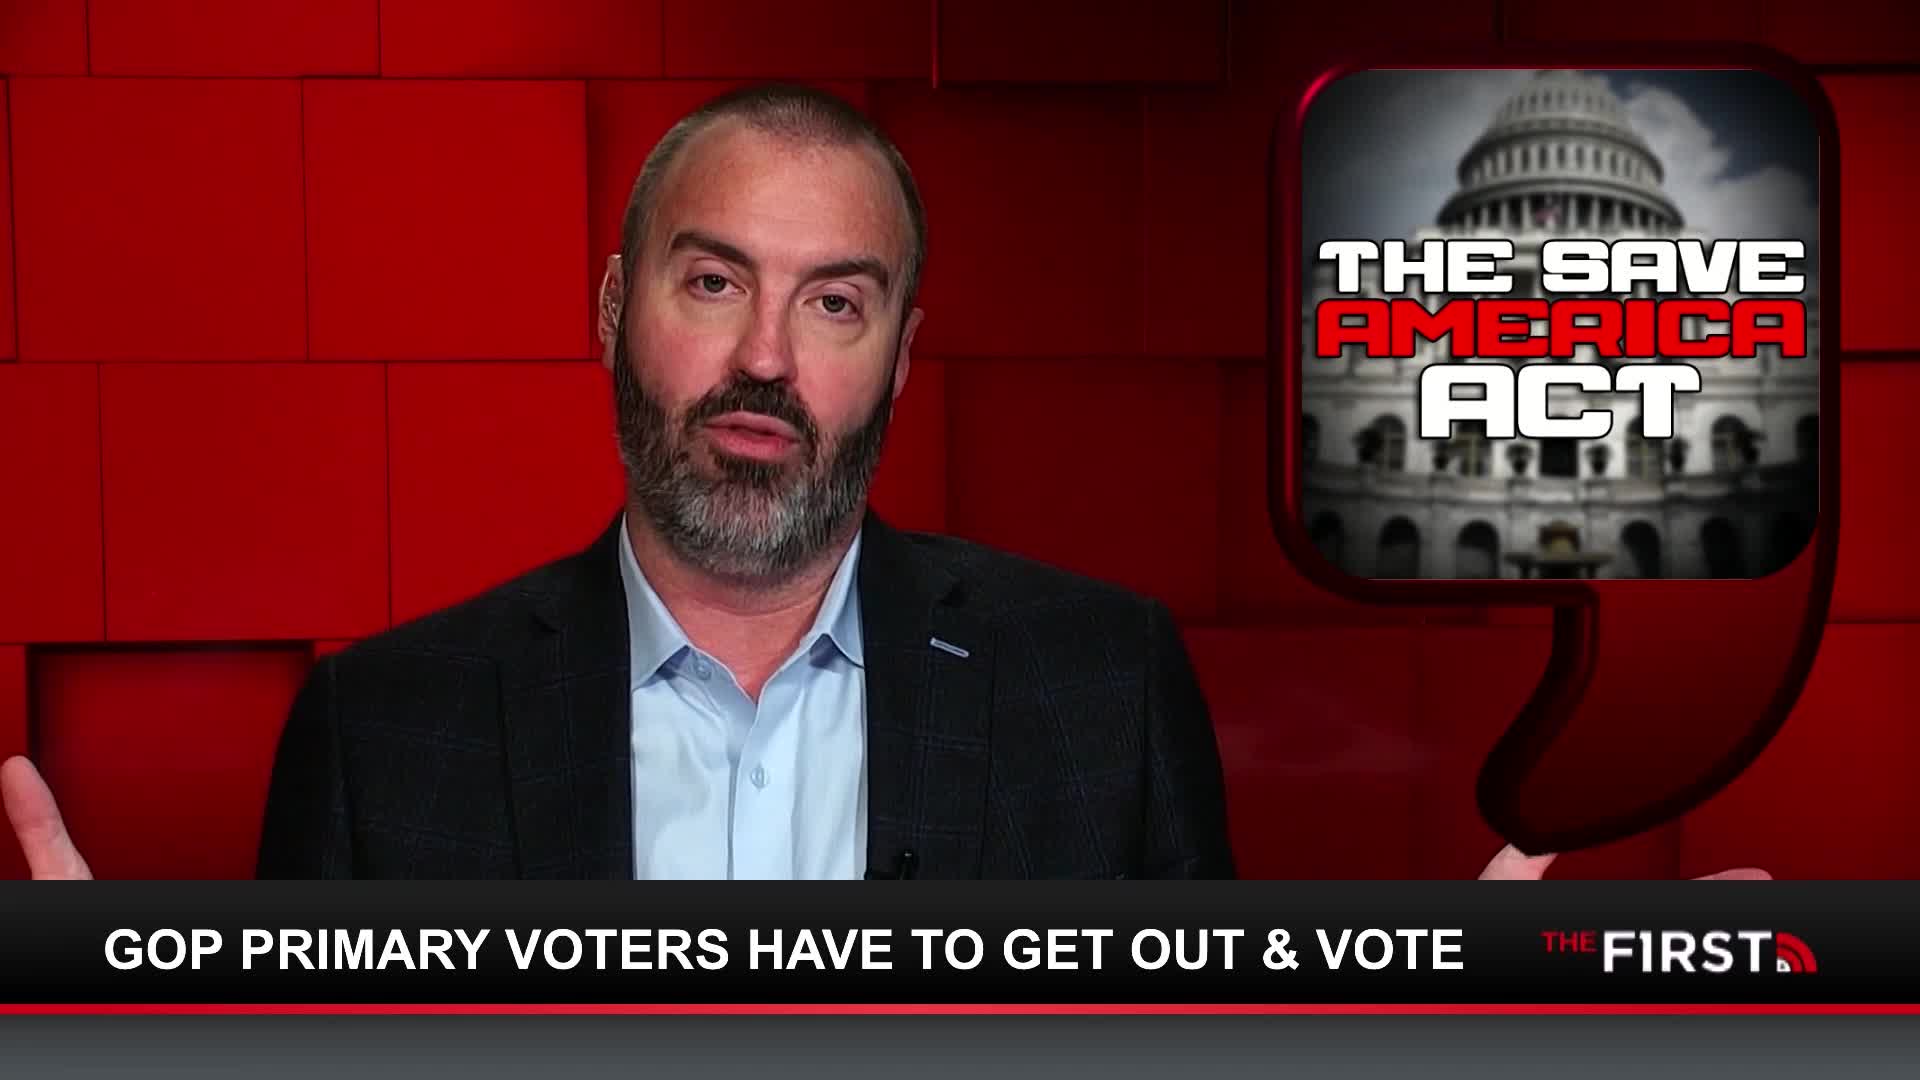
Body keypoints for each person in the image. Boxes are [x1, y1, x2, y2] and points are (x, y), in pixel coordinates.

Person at [0, 84, 1763, 884]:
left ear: (903, 353)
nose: (767, 357)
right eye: (714, 283)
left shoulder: (1100, 685)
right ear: (619, 314)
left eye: (834, 303)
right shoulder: (388, 733)